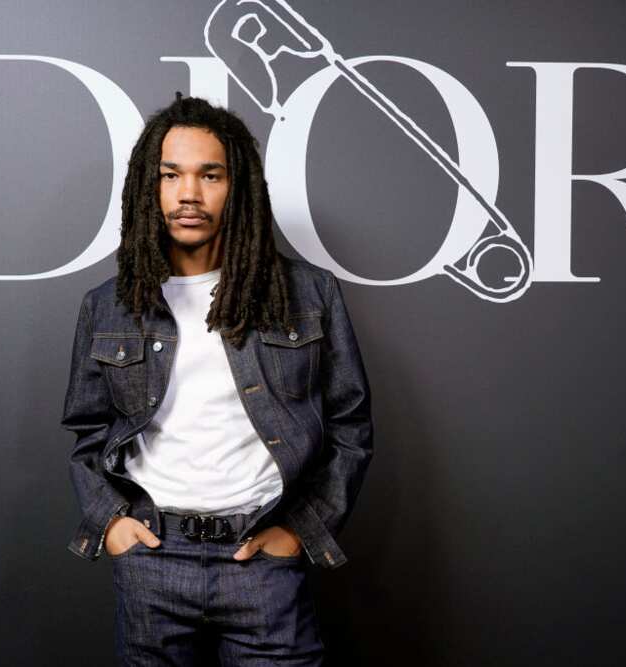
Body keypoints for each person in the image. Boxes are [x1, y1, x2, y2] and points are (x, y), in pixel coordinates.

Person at [60, 93, 373, 665]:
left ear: (240, 188)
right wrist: (112, 524)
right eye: (171, 174)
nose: (189, 194)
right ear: (147, 189)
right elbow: (87, 432)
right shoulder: (107, 307)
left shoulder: (308, 296)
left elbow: (350, 428)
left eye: (211, 175)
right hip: (152, 561)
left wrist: (301, 532)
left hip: (262, 564)